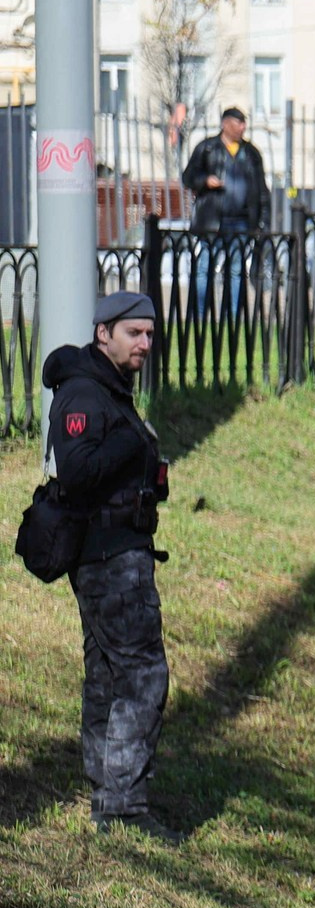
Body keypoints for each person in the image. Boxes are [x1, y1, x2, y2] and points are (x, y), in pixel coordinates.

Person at [43, 293, 174, 837]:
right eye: (134, 334)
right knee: (143, 675)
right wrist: (132, 442)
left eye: (148, 334)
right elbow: (76, 470)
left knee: (107, 673)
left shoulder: (109, 389)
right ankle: (122, 804)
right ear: (104, 334)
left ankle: (107, 789)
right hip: (107, 556)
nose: (145, 343)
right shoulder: (83, 392)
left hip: (119, 549)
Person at [180, 107, 270, 233]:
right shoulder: (208, 149)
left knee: (238, 252)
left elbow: (261, 190)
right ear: (225, 124)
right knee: (211, 253)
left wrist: (263, 221)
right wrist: (205, 180)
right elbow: (188, 177)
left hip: (242, 222)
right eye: (239, 123)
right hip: (212, 221)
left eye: (244, 124)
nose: (243, 128)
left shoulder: (251, 153)